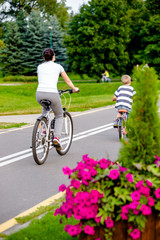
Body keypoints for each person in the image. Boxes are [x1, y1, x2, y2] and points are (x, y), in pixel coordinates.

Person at [36, 48, 79, 150]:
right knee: (59, 115)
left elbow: (40, 80)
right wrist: (75, 89)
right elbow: (67, 80)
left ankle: (43, 130)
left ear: (43, 57)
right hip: (52, 93)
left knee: (46, 110)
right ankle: (56, 137)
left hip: (39, 93)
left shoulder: (39, 67)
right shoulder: (58, 67)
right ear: (53, 57)